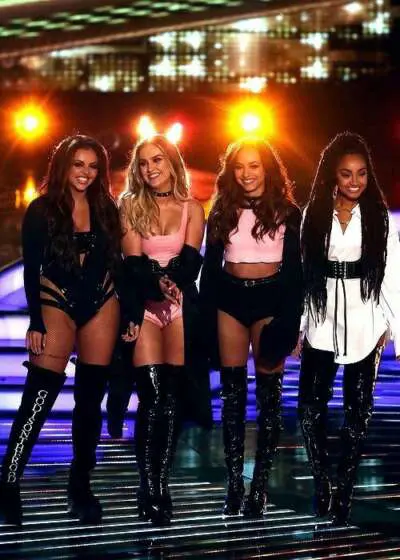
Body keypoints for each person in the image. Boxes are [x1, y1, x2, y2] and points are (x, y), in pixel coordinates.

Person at [0, 135, 139, 526]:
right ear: (63, 166)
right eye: (78, 164)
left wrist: (129, 312)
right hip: (55, 299)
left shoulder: (107, 208)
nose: (85, 173)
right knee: (39, 396)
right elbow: (31, 269)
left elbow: (118, 264)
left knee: (90, 401)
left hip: (101, 301)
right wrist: (35, 321)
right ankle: (8, 482)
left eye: (93, 166)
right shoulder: (41, 209)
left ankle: (80, 486)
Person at [298, 131, 400, 526]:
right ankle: (322, 482)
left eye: (361, 173)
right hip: (321, 317)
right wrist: (300, 325)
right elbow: (305, 272)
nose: (354, 181)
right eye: (346, 174)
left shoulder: (377, 215)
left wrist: (392, 327)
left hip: (365, 318)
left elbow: (392, 275)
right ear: (332, 175)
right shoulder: (314, 213)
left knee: (358, 413)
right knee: (310, 408)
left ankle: (345, 491)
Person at [199, 137, 303, 518]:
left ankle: (259, 486)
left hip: (271, 301)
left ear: (267, 168)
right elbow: (210, 270)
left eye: (254, 165)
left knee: (268, 400)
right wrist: (204, 321)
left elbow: (296, 274)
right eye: (239, 167)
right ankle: (233, 484)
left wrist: (292, 323)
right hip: (229, 299)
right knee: (232, 397)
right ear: (231, 172)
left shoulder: (288, 212)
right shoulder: (221, 210)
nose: (246, 174)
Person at [120, 134, 210, 526]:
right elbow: (132, 263)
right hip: (145, 307)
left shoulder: (193, 208)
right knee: (152, 396)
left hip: (180, 306)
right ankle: (148, 483)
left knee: (171, 400)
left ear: (172, 163)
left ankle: (160, 483)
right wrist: (158, 282)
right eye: (143, 163)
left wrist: (173, 281)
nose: (150, 168)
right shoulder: (129, 205)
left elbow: (191, 260)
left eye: (157, 160)